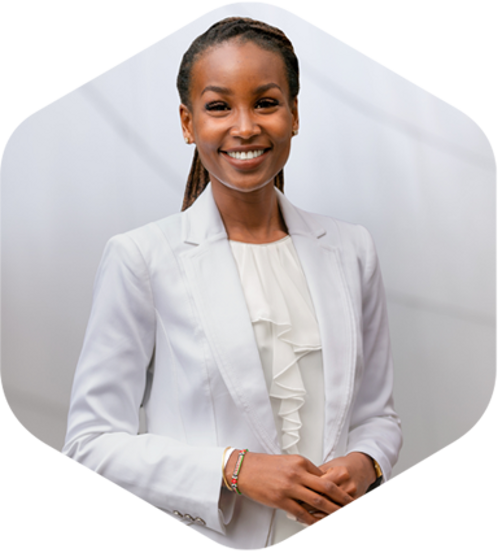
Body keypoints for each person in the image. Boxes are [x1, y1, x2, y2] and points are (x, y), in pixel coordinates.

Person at [61, 17, 402, 550]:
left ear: (294, 114)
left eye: (266, 102)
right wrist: (235, 469)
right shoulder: (142, 258)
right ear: (188, 122)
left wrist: (365, 462)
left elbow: (376, 414)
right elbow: (90, 444)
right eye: (219, 106)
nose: (245, 127)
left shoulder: (351, 248)